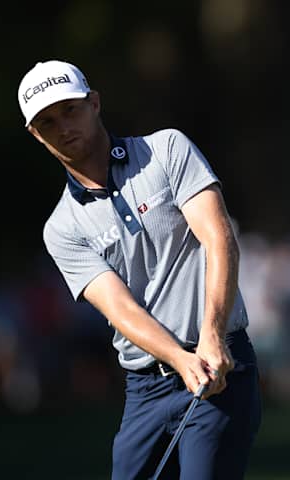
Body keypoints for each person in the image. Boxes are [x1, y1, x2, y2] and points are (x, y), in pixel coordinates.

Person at [17, 60, 262, 479]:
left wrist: (211, 337)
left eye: (70, 110)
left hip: (218, 363)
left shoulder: (166, 150)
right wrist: (179, 360)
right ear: (35, 134)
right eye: (47, 122)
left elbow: (219, 238)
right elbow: (121, 310)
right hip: (145, 390)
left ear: (94, 103)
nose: (63, 127)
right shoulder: (61, 227)